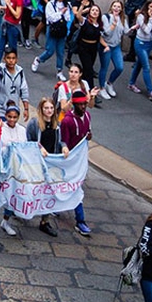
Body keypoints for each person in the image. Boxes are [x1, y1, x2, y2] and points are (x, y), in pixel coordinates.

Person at [59, 89, 95, 237]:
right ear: (74, 104)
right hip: (69, 161)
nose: (83, 107)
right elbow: (63, 141)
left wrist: (89, 137)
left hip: (80, 160)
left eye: (85, 104)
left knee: (73, 187)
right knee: (75, 189)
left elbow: (87, 134)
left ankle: (57, 207)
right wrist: (65, 148)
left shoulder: (87, 116)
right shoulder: (67, 121)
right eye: (80, 104)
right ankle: (80, 220)